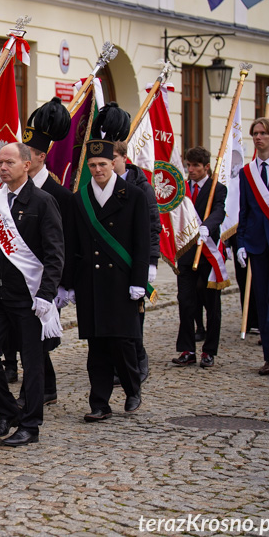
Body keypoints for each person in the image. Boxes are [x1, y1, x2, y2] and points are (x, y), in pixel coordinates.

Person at [65, 103, 149, 422]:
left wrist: (140, 281)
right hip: (92, 284)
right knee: (97, 346)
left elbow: (141, 243)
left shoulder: (134, 196)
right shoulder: (79, 199)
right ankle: (99, 402)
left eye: (103, 164)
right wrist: (69, 284)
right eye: (93, 165)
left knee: (123, 343)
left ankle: (132, 388)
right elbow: (73, 244)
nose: (98, 170)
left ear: (114, 163)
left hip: (123, 283)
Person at [0, 142, 63, 447]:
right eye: (0, 163)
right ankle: (9, 411)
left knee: (32, 361)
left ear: (26, 165)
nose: (2, 167)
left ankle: (31, 425)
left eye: (9, 162)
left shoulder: (42, 201)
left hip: (28, 296)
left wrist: (46, 294)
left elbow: (54, 253)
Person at [14, 97, 73, 407]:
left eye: (25, 155)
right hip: (20, 274)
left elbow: (69, 241)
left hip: (47, 277)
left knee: (36, 337)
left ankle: (35, 391)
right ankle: (45, 386)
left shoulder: (58, 193)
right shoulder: (12, 189)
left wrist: (65, 284)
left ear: (39, 157)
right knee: (27, 337)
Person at [236, 117, 269, 377]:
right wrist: (241, 243)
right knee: (262, 301)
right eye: (255, 133)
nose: (258, 137)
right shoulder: (247, 172)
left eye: (263, 133)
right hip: (256, 244)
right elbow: (245, 211)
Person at [172, 146, 226, 368]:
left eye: (195, 166)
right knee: (185, 302)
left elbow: (219, 211)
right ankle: (187, 349)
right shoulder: (182, 188)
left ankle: (209, 351)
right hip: (185, 253)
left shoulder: (217, 188)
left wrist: (208, 226)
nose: (191, 170)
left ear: (206, 167)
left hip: (208, 254)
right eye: (188, 165)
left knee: (211, 304)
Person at [113, 140, 160, 383]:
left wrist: (151, 261)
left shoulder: (141, 187)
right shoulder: (102, 185)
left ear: (123, 157)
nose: (108, 164)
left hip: (134, 260)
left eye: (113, 157)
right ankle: (116, 365)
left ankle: (139, 360)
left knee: (134, 318)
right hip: (111, 263)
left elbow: (153, 226)